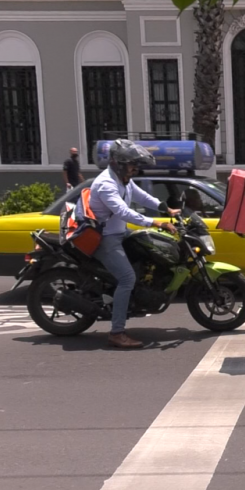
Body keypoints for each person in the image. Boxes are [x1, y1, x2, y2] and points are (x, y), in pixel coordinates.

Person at [89, 139, 179, 348]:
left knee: (148, 249)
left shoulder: (123, 180)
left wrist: (164, 208)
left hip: (120, 232)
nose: (135, 168)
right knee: (127, 278)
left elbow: (142, 196)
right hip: (106, 239)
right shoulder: (106, 184)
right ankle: (117, 332)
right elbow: (123, 211)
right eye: (131, 164)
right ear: (118, 162)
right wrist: (155, 221)